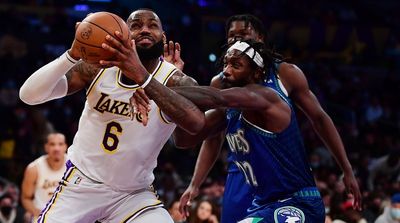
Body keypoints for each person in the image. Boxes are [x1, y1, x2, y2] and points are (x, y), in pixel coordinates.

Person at [19, 8, 205, 223]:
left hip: (133, 194)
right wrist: (71, 56)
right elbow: (28, 95)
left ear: (163, 38)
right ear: (124, 33)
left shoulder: (175, 81)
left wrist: (148, 84)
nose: (144, 29)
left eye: (152, 25)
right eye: (136, 25)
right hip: (81, 185)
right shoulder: (97, 67)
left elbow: (196, 125)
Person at [171, 14, 361, 223]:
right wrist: (195, 183)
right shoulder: (223, 80)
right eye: (231, 36)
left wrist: (346, 168)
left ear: (259, 37)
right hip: (243, 174)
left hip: (282, 176)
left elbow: (320, 119)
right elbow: (209, 135)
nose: (235, 40)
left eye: (242, 34)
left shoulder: (284, 74)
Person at [134, 39, 325, 222]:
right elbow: (184, 140)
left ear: (256, 73)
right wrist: (170, 87)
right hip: (263, 204)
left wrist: (151, 86)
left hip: (298, 202)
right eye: (225, 64)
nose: (226, 71)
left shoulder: (266, 96)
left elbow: (215, 97)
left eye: (236, 65)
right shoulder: (229, 112)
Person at [21, 133, 67, 223]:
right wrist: (36, 212)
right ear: (46, 147)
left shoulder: (74, 165)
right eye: (52, 144)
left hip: (68, 214)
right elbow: (26, 198)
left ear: (65, 147)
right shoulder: (33, 169)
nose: (56, 148)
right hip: (42, 215)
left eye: (60, 144)